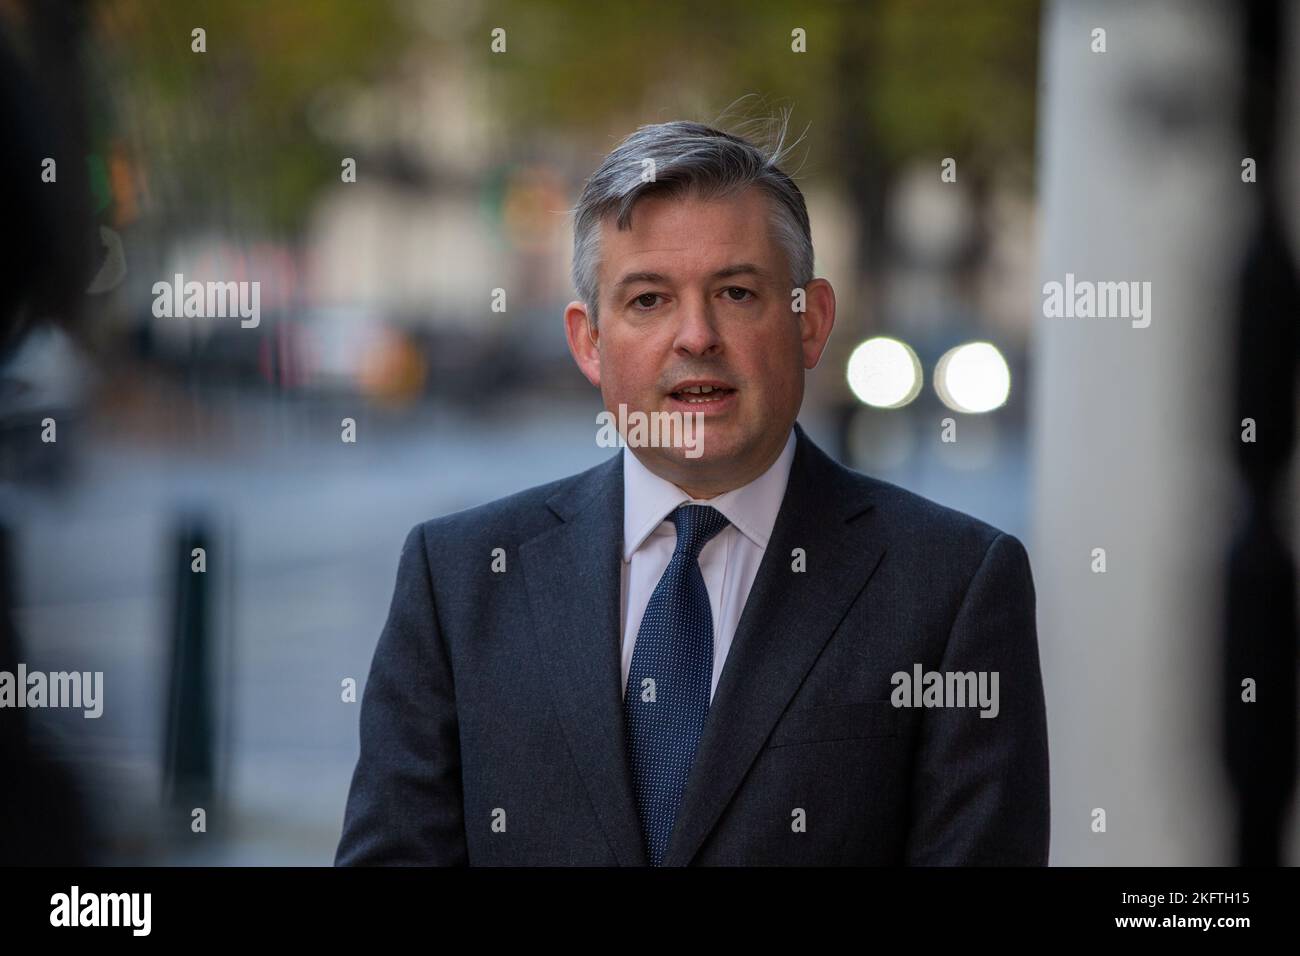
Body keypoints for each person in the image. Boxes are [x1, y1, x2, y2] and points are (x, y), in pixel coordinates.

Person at [335, 117, 1049, 866]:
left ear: (812, 324)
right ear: (588, 340)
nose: (697, 335)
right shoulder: (458, 581)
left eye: (737, 293)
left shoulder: (954, 585)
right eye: (648, 300)